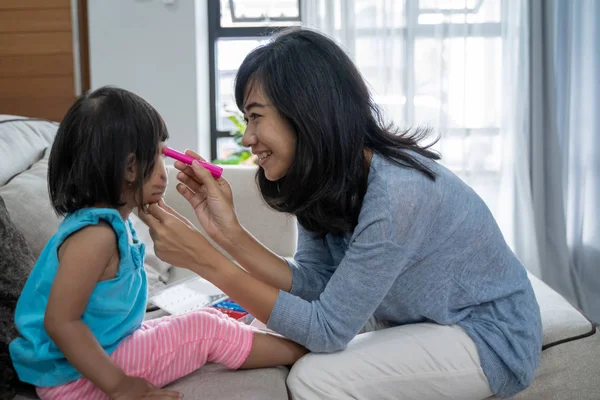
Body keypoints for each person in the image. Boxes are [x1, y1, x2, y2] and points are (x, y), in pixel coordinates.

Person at [139, 28, 543, 399]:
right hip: (416, 318)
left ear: (306, 111)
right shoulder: (321, 178)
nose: (247, 137)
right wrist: (229, 236)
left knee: (314, 377)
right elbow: (315, 283)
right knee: (262, 325)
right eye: (247, 119)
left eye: (256, 116)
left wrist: (208, 261)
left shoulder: (398, 194)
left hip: (488, 336)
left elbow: (326, 331)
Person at [9, 87, 307, 400]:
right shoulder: (95, 236)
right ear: (129, 168)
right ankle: (305, 350)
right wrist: (121, 387)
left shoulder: (106, 222)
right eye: (159, 158)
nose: (164, 174)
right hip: (73, 379)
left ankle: (290, 343)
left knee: (212, 318)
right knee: (206, 330)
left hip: (98, 352)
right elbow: (61, 322)